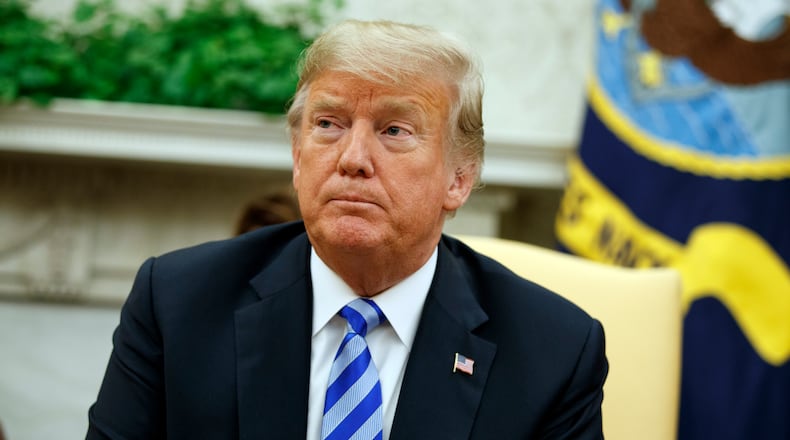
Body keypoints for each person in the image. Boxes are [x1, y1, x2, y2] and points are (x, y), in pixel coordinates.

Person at [87, 20, 607, 439]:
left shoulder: (553, 351)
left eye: (395, 130)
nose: (352, 159)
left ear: (460, 179)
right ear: (297, 156)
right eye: (328, 124)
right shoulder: (178, 303)